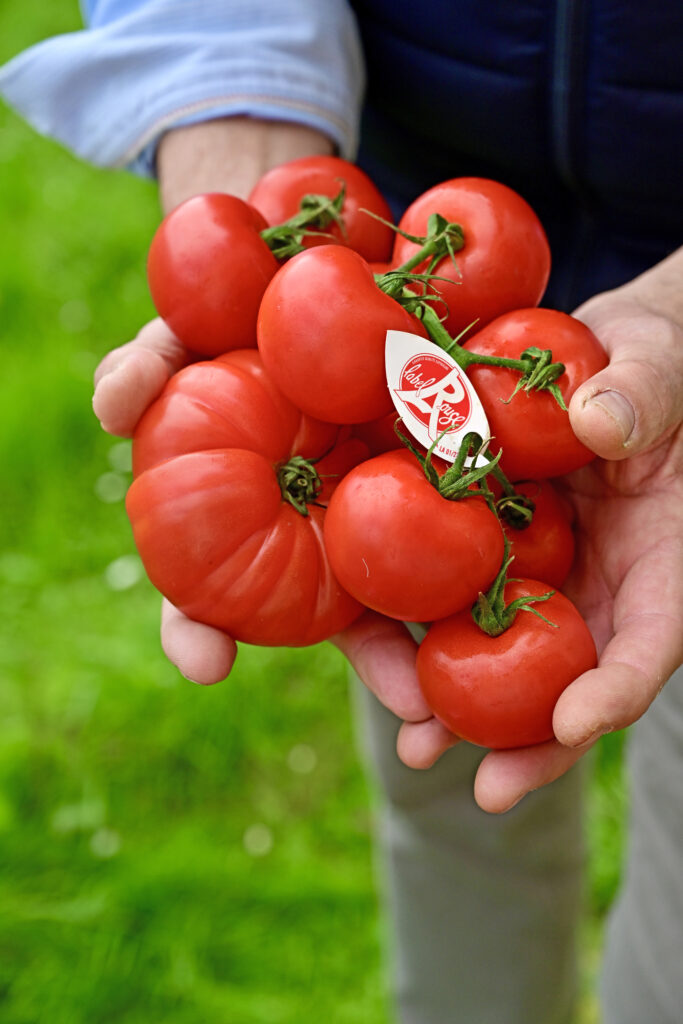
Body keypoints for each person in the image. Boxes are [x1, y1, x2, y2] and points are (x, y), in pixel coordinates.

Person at [2, 3, 682, 1021]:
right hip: (393, 230)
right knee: (447, 792)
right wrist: (237, 104)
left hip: (461, 339)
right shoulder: (370, 384)